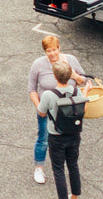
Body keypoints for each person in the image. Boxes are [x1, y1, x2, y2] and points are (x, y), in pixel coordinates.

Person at [27, 35, 87, 184]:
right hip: (48, 109)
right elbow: (32, 89)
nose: (52, 54)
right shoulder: (38, 65)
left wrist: (73, 74)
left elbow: (84, 81)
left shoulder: (71, 60)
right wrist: (39, 108)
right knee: (44, 138)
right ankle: (39, 168)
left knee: (70, 139)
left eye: (54, 50)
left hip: (68, 111)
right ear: (45, 52)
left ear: (59, 48)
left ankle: (68, 167)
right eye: (48, 51)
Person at [39, 61, 87, 199]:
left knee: (58, 168)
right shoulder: (76, 91)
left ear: (55, 76)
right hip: (74, 134)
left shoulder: (48, 94)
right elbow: (83, 108)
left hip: (57, 136)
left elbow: (42, 112)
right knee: (73, 165)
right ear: (69, 76)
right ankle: (74, 198)